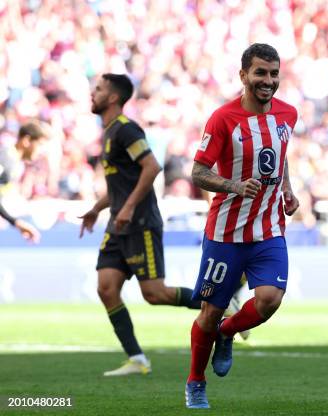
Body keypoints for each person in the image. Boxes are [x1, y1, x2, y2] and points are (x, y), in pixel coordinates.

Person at [184, 43, 299, 409]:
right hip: (226, 234)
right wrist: (234, 185)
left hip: (268, 228)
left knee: (269, 300)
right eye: (261, 73)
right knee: (209, 312)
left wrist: (288, 190)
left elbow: (279, 158)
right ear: (243, 76)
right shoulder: (223, 119)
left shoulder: (288, 114)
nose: (268, 81)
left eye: (273, 73)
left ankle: (228, 333)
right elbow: (198, 172)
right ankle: (195, 381)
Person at [79, 73, 202, 376]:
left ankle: (219, 302)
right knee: (107, 288)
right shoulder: (109, 132)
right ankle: (137, 358)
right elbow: (123, 184)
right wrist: (97, 208)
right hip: (118, 224)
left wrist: (130, 207)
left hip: (140, 222)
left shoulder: (125, 129)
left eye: (98, 89)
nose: (92, 93)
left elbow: (152, 167)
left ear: (112, 98)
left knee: (154, 294)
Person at [0, 122, 44, 243]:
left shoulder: (15, 162)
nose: (41, 151)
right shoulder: (6, 160)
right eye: (39, 144)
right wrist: (15, 221)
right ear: (26, 140)